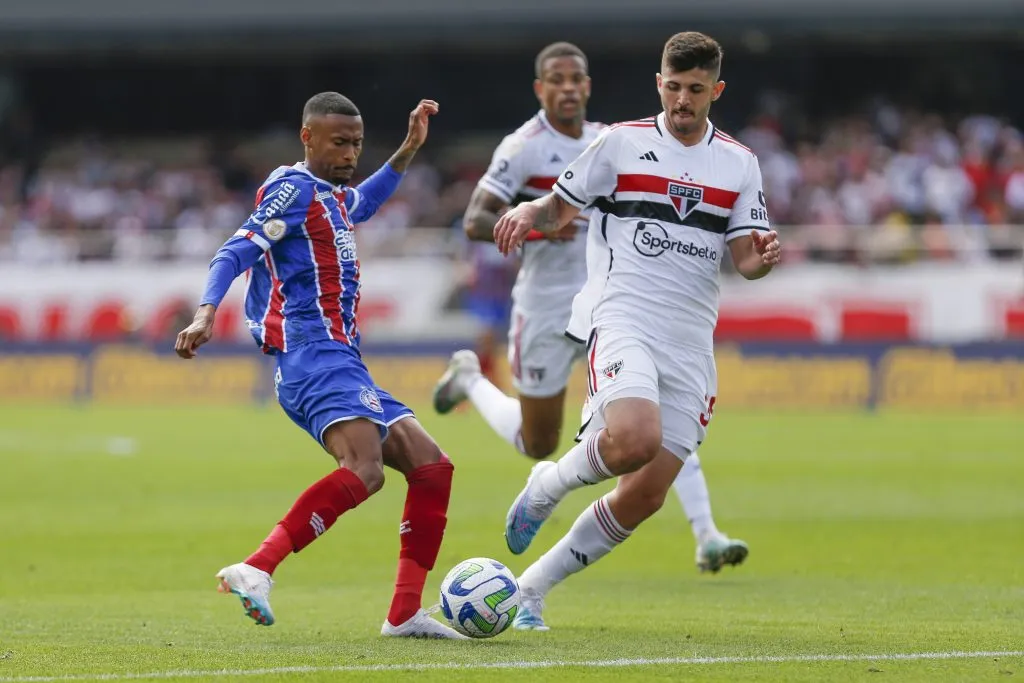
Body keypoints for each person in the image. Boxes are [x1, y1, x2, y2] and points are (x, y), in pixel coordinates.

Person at [492, 32, 782, 630]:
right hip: (624, 317)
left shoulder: (738, 163)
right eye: (672, 87)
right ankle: (547, 484)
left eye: (695, 90)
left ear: (715, 90)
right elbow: (558, 208)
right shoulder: (620, 144)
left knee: (645, 495)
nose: (682, 100)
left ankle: (528, 592)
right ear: (659, 84)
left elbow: (745, 260)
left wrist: (763, 256)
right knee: (633, 438)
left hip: (690, 341)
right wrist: (527, 211)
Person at [433, 41, 749, 575]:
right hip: (544, 303)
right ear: (541, 89)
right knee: (539, 441)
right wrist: (536, 225)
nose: (569, 88)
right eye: (557, 80)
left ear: (587, 86)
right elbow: (475, 220)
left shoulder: (614, 140)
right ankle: (471, 382)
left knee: (648, 416)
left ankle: (705, 530)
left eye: (577, 78)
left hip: (615, 302)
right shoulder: (523, 147)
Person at [174, 92, 467, 639]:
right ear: (307, 137)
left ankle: (404, 613)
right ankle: (257, 567)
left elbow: (366, 201)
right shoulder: (291, 191)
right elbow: (233, 251)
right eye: (338, 142)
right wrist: (205, 313)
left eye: (356, 143)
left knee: (431, 468)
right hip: (313, 355)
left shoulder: (330, 196)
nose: (349, 153)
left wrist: (406, 150)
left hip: (340, 358)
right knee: (366, 470)